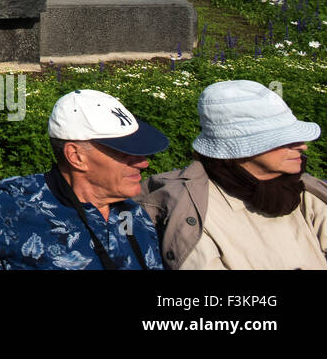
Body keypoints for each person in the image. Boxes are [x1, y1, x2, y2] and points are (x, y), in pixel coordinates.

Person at [0, 89, 168, 269]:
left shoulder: (131, 212)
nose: (143, 162)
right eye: (125, 153)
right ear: (76, 156)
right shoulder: (19, 204)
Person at [140, 80, 326, 269]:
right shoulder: (194, 213)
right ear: (240, 149)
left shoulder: (307, 194)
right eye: (283, 139)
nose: (302, 146)